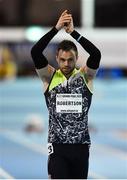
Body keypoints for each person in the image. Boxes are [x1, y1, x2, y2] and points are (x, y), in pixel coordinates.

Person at [31, 10, 101, 179]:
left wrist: (73, 33)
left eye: (70, 59)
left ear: (76, 58)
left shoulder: (86, 76)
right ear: (57, 58)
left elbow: (96, 54)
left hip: (81, 146)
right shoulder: (50, 76)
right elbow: (35, 52)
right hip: (57, 147)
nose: (66, 63)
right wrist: (56, 29)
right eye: (62, 59)